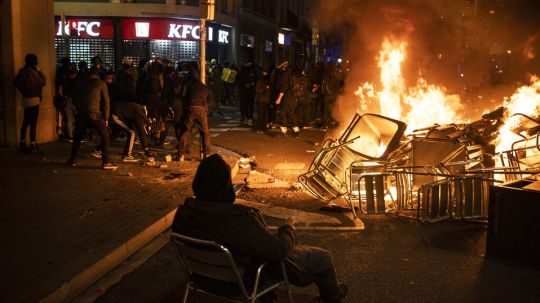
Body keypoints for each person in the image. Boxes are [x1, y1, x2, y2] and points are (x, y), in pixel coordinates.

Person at [172, 154, 348, 303]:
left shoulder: (185, 212)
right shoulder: (237, 219)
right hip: (244, 279)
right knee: (322, 258)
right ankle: (331, 298)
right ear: (224, 186)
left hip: (203, 278)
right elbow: (276, 252)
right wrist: (288, 229)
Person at [68, 67, 117, 169]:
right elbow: (106, 102)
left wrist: (78, 110)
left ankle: (72, 160)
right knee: (105, 136)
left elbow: (74, 97)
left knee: (78, 137)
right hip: (94, 113)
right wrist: (106, 118)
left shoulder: (80, 83)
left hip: (81, 113)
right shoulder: (100, 83)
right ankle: (105, 162)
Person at [175, 67, 212, 161]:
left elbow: (182, 95)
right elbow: (211, 100)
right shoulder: (204, 86)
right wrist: (206, 106)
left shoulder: (187, 84)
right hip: (201, 110)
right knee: (205, 132)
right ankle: (206, 154)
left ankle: (180, 154)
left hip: (191, 108)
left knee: (185, 130)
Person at [14, 53, 46, 154]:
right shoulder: (32, 72)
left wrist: (23, 90)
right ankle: (33, 145)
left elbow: (15, 82)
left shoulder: (22, 71)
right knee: (33, 123)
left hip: (25, 99)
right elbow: (43, 82)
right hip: (34, 99)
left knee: (25, 122)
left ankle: (22, 144)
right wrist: (39, 70)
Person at [274, 61, 300, 138]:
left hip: (286, 97)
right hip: (292, 97)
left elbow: (283, 87)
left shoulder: (285, 75)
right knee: (291, 113)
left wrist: (279, 98)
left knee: (283, 113)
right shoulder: (292, 73)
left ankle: (284, 131)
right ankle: (296, 131)